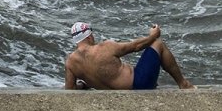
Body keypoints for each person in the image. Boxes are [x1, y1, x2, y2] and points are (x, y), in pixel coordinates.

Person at [64, 22, 195, 90]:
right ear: (90, 36)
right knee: (158, 44)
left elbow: (70, 89)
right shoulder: (104, 47)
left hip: (116, 93)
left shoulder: (71, 62)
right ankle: (184, 84)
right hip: (140, 84)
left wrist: (83, 85)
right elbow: (136, 46)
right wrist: (153, 35)